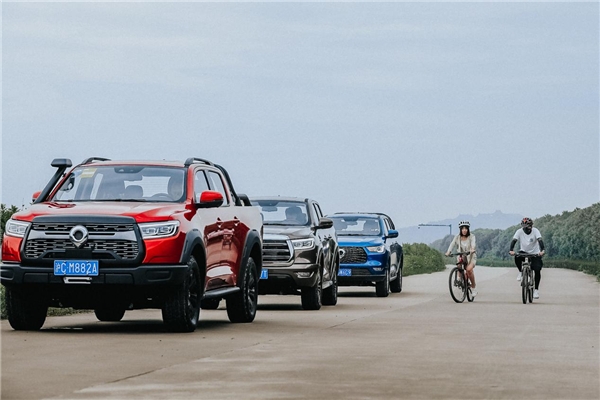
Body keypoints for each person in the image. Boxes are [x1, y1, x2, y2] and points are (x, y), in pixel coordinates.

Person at [509, 217, 545, 299]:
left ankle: (536, 290)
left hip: (535, 253)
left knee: (537, 270)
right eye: (526, 227)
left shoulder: (535, 231)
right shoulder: (519, 231)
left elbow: (540, 240)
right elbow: (514, 241)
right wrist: (511, 250)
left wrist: (542, 250)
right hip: (524, 251)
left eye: (529, 226)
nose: (528, 228)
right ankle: (521, 272)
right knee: (517, 256)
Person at [445, 221, 478, 297]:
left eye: (466, 228)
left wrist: (472, 249)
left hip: (471, 256)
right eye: (462, 228)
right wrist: (448, 252)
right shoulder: (457, 237)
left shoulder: (472, 236)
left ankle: (473, 287)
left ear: (468, 229)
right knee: (459, 265)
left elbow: (473, 244)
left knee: (469, 270)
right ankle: (459, 279)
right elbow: (452, 244)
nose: (464, 230)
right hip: (461, 255)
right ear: (460, 229)